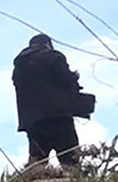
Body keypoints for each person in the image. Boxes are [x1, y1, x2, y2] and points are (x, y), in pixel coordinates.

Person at [11, 33, 95, 170]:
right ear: (47, 44)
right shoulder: (53, 57)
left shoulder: (19, 67)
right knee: (70, 161)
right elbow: (66, 80)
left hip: (33, 122)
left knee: (36, 163)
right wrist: (74, 78)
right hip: (58, 117)